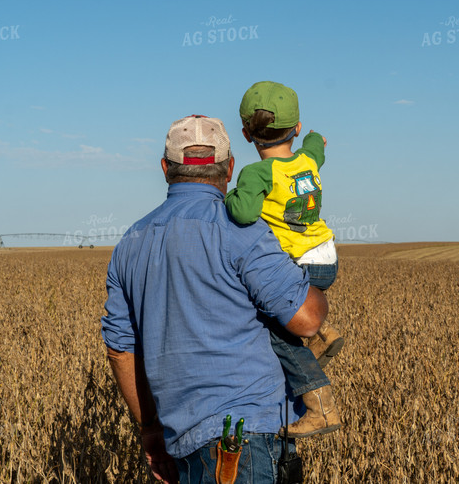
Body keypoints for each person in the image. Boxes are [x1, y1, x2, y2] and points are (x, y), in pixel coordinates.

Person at [102, 114, 328, 483]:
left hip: (182, 443)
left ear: (164, 168)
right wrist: (314, 280)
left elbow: (120, 350)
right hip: (245, 442)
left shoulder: (131, 242)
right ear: (230, 167)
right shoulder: (241, 230)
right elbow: (306, 320)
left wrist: (151, 430)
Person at [225, 81, 343, 438]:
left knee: (277, 333)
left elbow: (243, 214)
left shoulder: (258, 174)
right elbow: (316, 142)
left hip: (298, 265)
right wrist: (315, 138)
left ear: (246, 134)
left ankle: (321, 407)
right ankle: (323, 331)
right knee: (289, 310)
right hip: (326, 256)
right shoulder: (308, 158)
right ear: (296, 127)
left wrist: (228, 197)